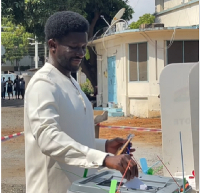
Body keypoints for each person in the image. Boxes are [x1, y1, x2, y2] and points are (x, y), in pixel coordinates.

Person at [24, 11, 138, 193]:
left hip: (79, 187)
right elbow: (49, 139)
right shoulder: (43, 84)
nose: (81, 54)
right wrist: (104, 158)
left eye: (83, 47)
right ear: (52, 45)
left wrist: (104, 145)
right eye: (74, 47)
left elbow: (73, 135)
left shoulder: (71, 81)